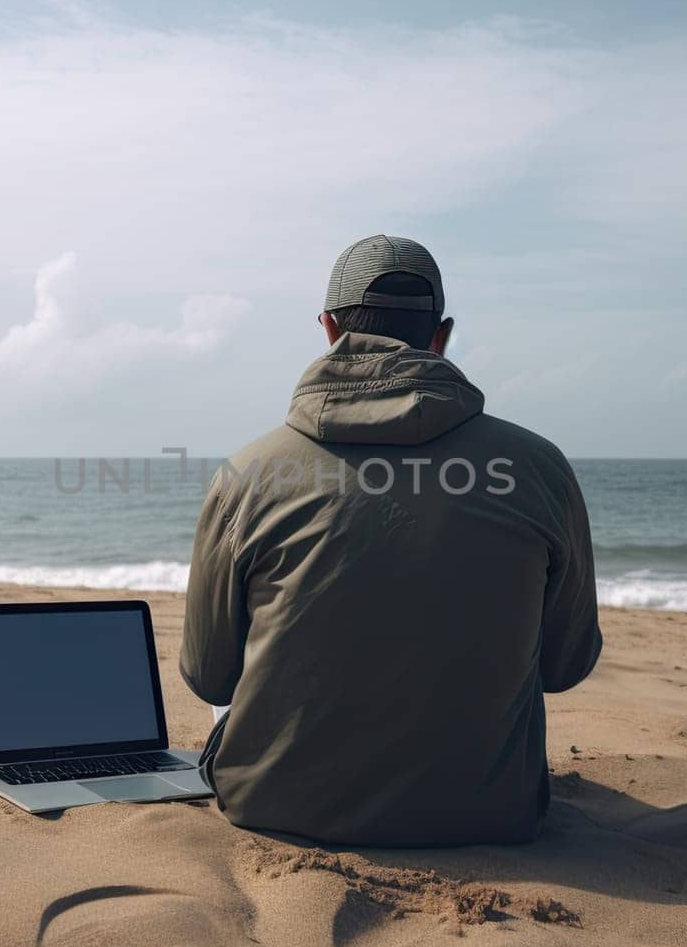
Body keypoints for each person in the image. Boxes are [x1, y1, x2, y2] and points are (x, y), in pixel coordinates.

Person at [180, 234, 601, 846]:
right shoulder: (538, 466)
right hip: (488, 813)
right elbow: (566, 666)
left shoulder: (249, 472)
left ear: (329, 329)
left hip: (279, 808)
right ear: (442, 334)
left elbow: (210, 677)